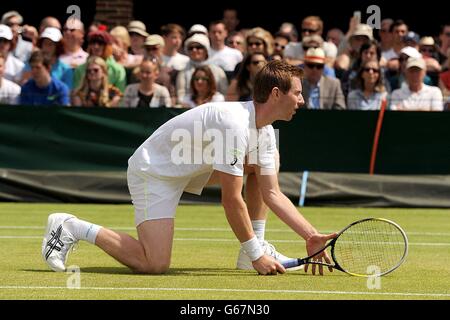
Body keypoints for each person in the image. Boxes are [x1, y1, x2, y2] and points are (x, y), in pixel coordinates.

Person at [41, 60, 337, 276]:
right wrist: (258, 256)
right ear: (275, 93)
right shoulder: (234, 125)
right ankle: (71, 226)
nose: (301, 100)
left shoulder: (266, 131)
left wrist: (309, 235)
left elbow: (272, 193)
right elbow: (231, 200)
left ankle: (254, 246)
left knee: (265, 163)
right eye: (297, 93)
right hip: (153, 173)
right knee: (153, 264)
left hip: (191, 169)